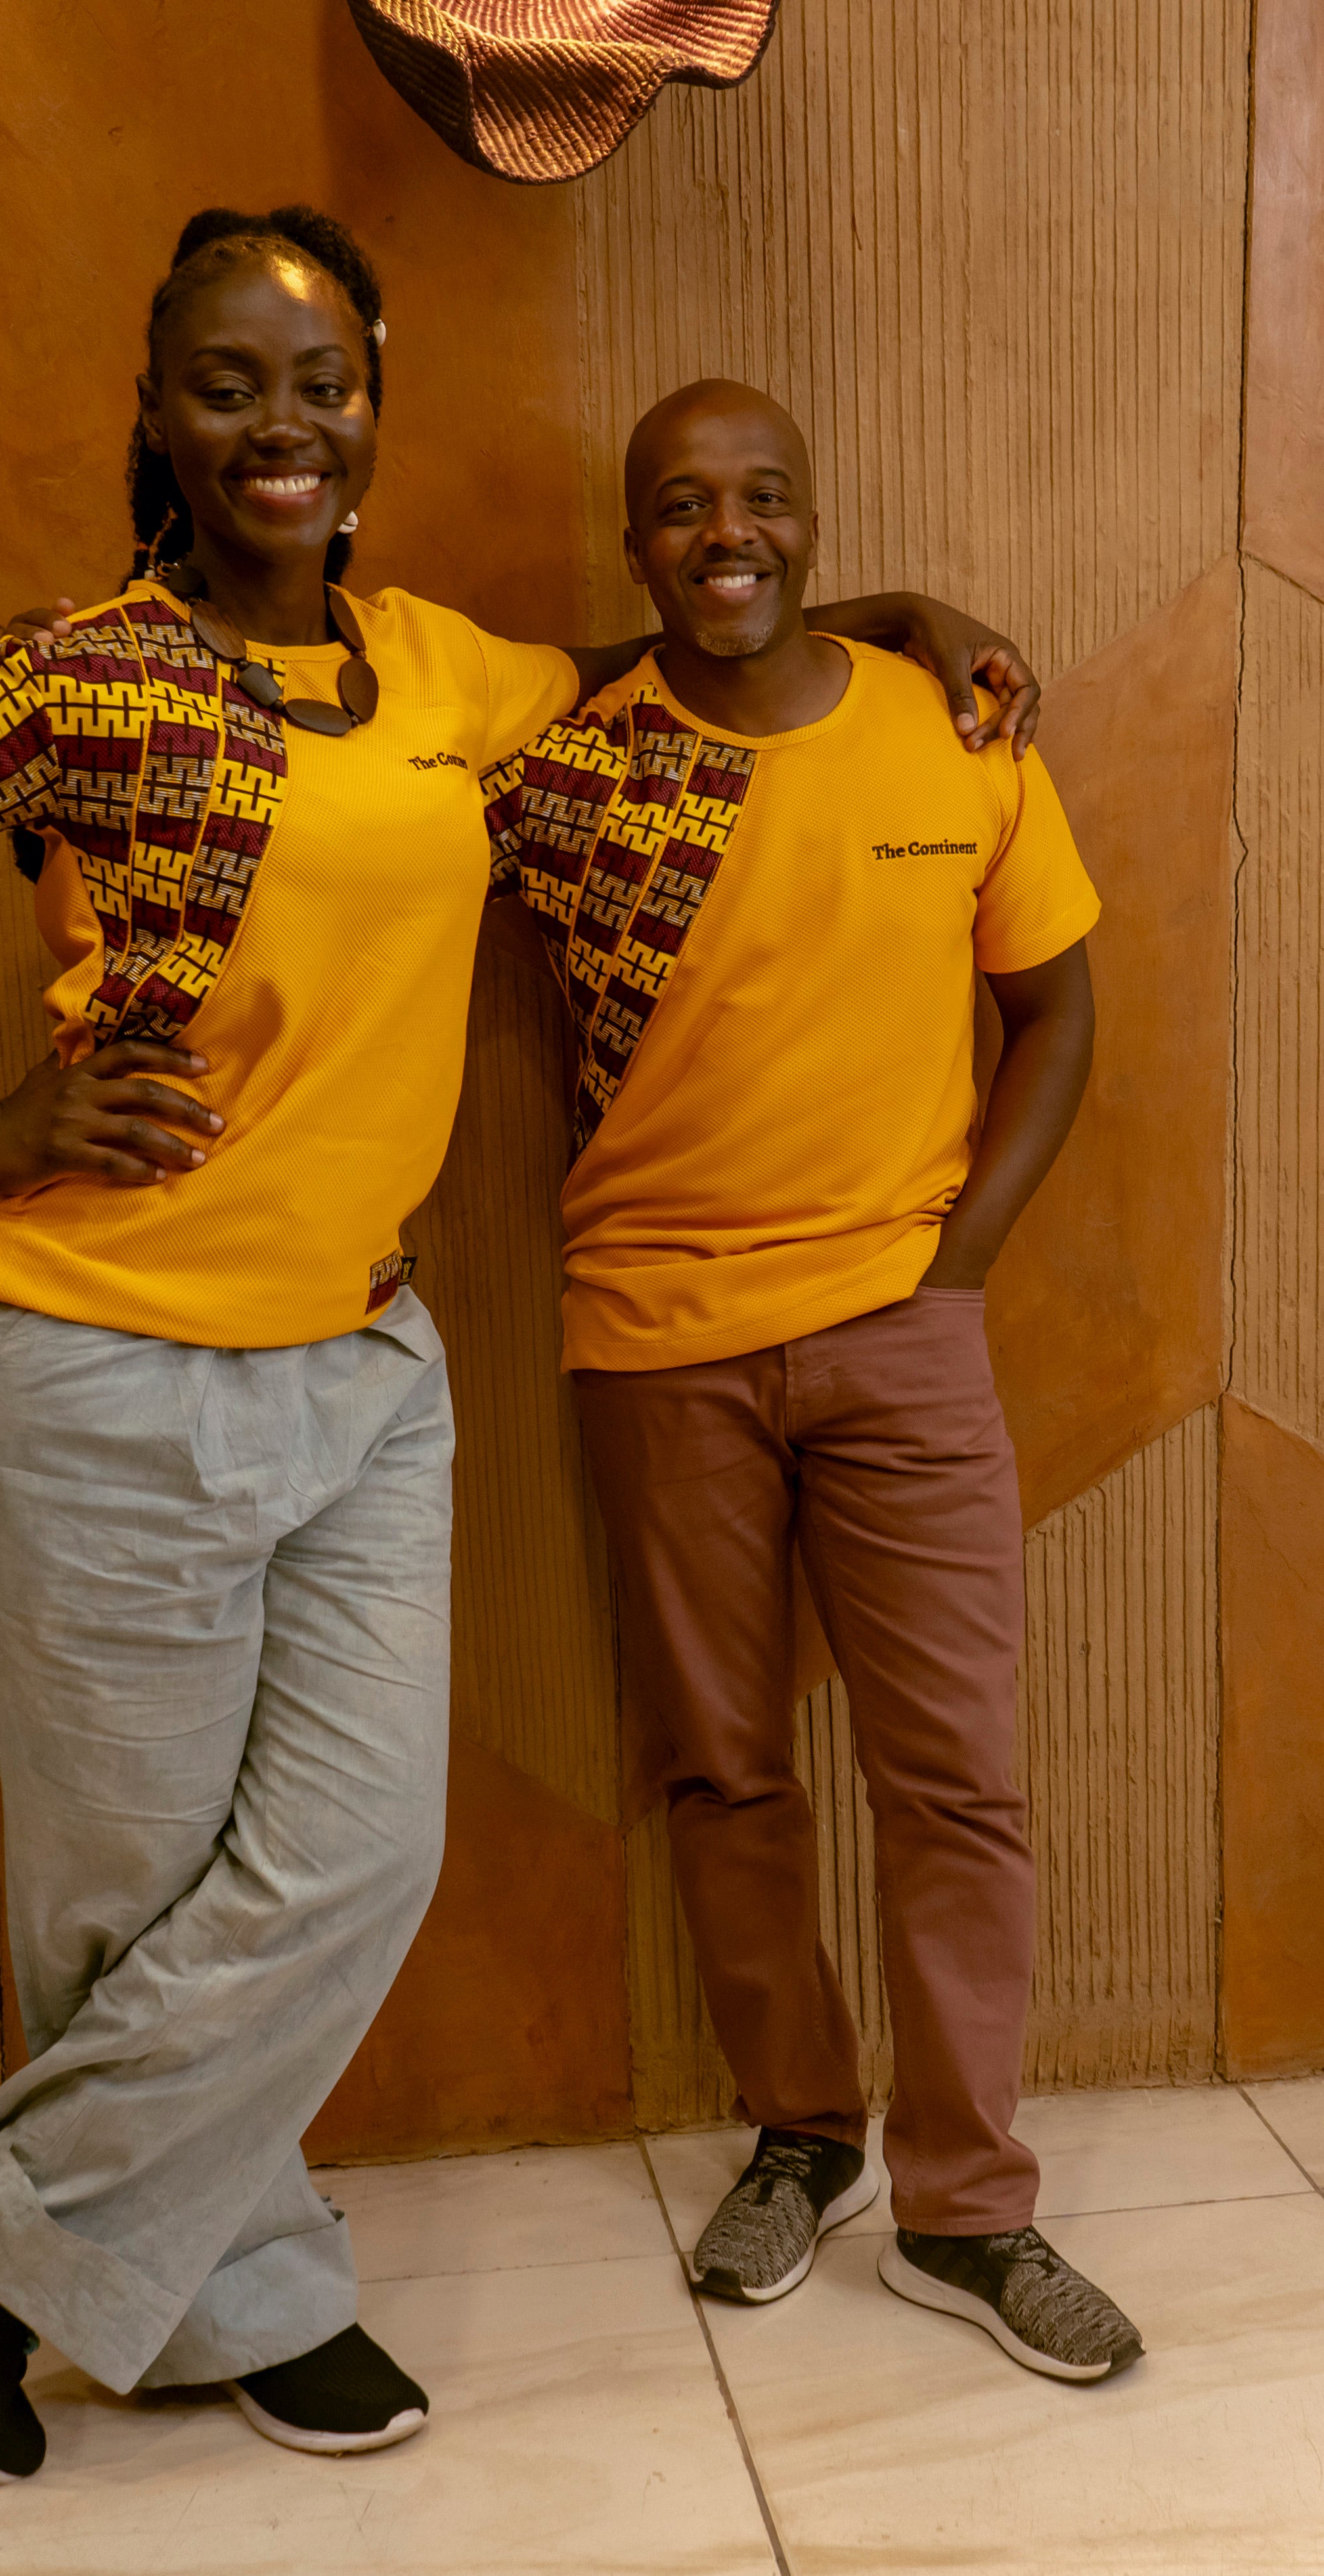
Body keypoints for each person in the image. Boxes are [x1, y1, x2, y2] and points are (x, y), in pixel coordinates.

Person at [0, 206, 1050, 2482]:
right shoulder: (84, 670)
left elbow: (655, 652)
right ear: (160, 422)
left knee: (347, 1862)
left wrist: (880, 611)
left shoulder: (445, 675)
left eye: (316, 379)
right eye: (226, 383)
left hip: (363, 1371)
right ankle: (236, 2304)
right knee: (135, 1900)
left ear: (367, 406)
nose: (278, 423)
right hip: (100, 1355)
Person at [485, 378, 1143, 2384]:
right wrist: (892, 594)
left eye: (762, 499)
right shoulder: (562, 766)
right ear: (632, 544)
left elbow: (1053, 1014)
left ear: (809, 512)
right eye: (680, 508)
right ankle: (799, 2131)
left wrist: (961, 1258)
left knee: (952, 1778)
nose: (724, 535)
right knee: (725, 1770)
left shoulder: (955, 735)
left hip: (900, 1333)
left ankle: (967, 2208)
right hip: (654, 1343)